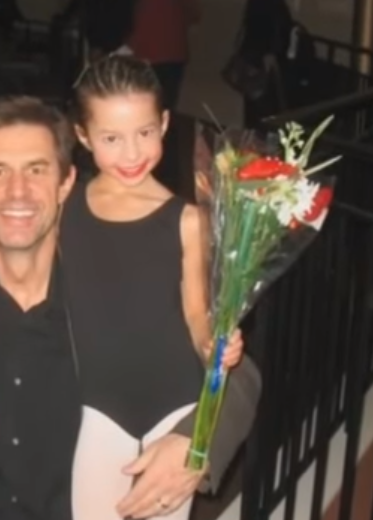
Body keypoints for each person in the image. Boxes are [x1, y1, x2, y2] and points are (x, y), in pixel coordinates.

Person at [0, 96, 259, 520]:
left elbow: (239, 376)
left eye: (36, 170)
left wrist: (196, 442)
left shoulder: (107, 270)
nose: (17, 191)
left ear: (66, 183)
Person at [60, 54, 235, 520]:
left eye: (144, 132)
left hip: (174, 401)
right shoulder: (65, 206)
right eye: (111, 138)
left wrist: (214, 343)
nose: (132, 153)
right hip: (95, 406)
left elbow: (195, 312)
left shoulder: (187, 220)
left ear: (165, 123)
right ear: (83, 136)